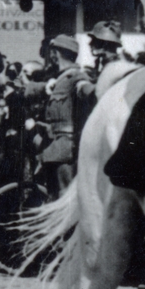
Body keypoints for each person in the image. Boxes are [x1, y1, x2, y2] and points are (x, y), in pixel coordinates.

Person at [36, 35, 95, 196]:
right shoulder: (60, 80)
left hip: (67, 151)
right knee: (55, 197)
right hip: (54, 149)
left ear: (55, 53)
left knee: (66, 197)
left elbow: (87, 90)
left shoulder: (76, 77)